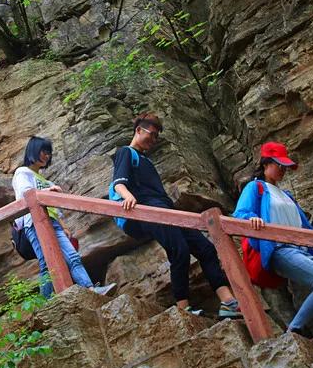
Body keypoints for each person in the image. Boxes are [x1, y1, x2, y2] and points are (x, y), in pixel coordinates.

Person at [111, 113, 241, 318]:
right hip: (147, 210)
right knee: (178, 250)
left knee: (206, 248)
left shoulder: (145, 160)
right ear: (138, 130)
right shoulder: (125, 152)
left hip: (166, 209)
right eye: (151, 135)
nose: (153, 141)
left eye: (156, 137)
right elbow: (119, 182)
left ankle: (228, 302)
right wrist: (128, 198)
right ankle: (183, 309)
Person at [234, 142, 313, 347]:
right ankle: (294, 329)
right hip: (279, 249)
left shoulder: (286, 195)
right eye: (279, 165)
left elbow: (303, 226)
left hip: (300, 249)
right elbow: (241, 213)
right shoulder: (255, 187)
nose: (283, 170)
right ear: (266, 163)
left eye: (285, 167)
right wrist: (252, 219)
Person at [13, 136, 116, 298]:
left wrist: (64, 226)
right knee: (47, 263)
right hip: (33, 223)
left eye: (49, 153)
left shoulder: (45, 181)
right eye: (44, 152)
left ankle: (91, 289)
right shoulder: (22, 172)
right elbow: (26, 194)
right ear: (33, 151)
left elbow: (54, 209)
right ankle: (45, 302)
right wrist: (49, 191)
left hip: (52, 222)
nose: (47, 156)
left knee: (73, 256)